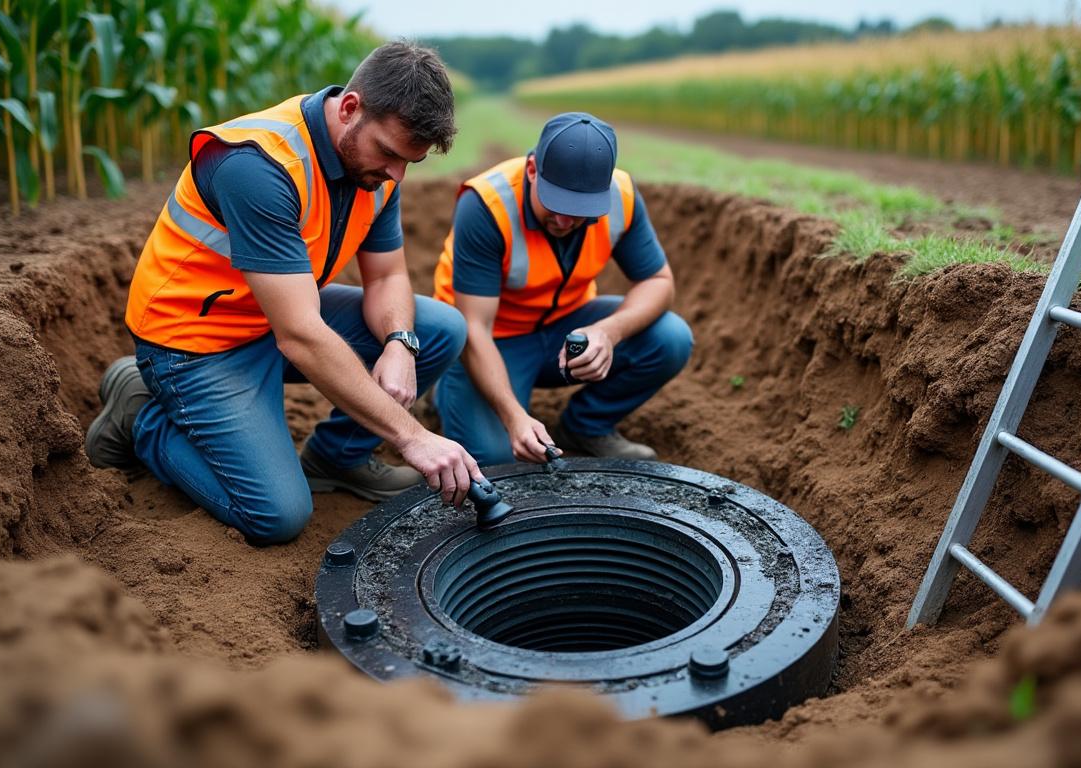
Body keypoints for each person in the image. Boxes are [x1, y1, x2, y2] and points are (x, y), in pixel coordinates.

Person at [84, 42, 482, 545]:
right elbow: (300, 336)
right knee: (277, 515)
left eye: (411, 162)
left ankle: (337, 459)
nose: (396, 175)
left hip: (274, 318)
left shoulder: (377, 170)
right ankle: (139, 411)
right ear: (351, 107)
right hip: (197, 343)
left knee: (438, 329)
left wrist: (401, 342)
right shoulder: (258, 166)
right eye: (388, 153)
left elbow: (386, 278)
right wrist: (411, 436)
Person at [432, 112, 693, 466]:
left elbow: (659, 282)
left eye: (581, 211)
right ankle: (444, 385)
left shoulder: (621, 196)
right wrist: (514, 418)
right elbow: (476, 328)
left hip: (566, 328)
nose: (566, 221)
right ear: (532, 171)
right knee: (496, 459)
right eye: (556, 204)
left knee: (670, 336)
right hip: (492, 338)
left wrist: (607, 332)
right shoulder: (487, 206)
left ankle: (586, 425)